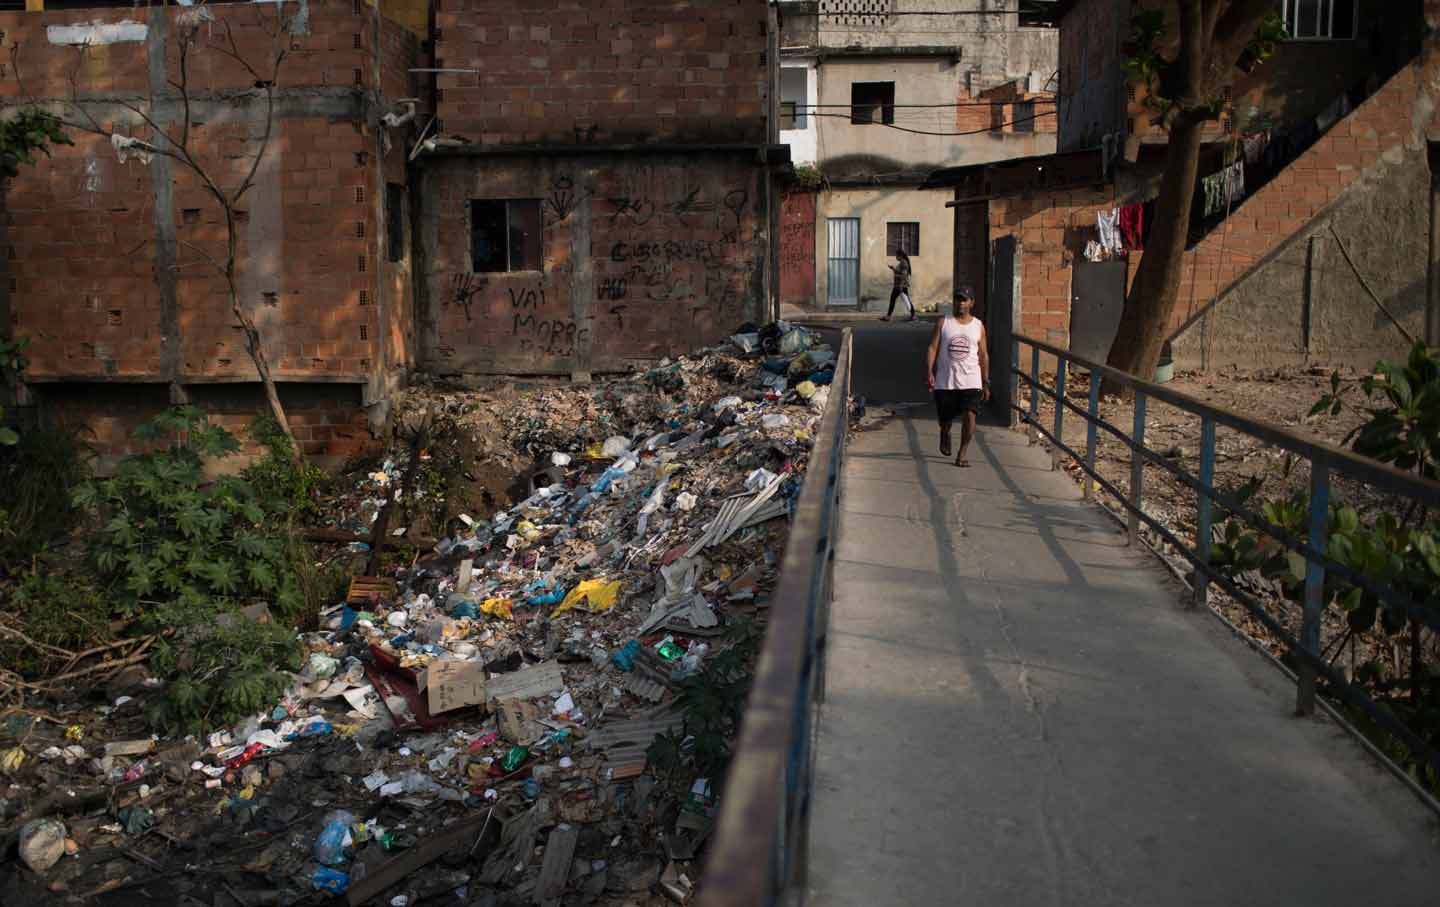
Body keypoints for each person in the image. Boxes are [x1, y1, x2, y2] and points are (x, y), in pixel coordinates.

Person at [926, 286, 989, 466]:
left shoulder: (978, 326)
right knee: (945, 420)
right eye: (958, 299)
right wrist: (929, 371)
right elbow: (932, 347)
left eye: (964, 300)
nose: (961, 303)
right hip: (946, 381)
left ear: (972, 303)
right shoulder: (944, 322)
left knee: (970, 415)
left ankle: (962, 452)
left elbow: (983, 355)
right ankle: (944, 432)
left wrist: (985, 381)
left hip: (972, 380)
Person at [881, 249, 915, 321]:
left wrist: (901, 286)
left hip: (900, 286)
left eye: (897, 255)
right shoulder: (901, 263)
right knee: (899, 299)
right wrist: (893, 269)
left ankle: (888, 316)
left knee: (893, 299)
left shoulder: (904, 263)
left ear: (900, 256)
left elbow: (904, 275)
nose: (896, 257)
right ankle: (913, 315)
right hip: (899, 285)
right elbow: (900, 273)